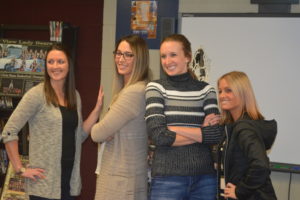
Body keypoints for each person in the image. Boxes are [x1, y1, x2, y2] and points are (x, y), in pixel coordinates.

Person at [1, 44, 103, 200]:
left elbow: (79, 136)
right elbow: (9, 131)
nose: (55, 66)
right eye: (51, 62)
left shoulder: (74, 96)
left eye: (60, 61)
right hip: (44, 185)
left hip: (68, 182)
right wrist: (19, 169)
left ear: (69, 64)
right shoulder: (36, 95)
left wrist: (97, 110)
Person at [145, 33, 223, 200]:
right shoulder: (156, 88)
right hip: (167, 179)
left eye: (173, 55)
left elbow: (216, 134)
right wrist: (201, 131)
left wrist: (174, 129)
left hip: (204, 179)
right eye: (163, 56)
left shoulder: (206, 90)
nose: (167, 61)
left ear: (187, 57)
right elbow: (159, 136)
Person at [91, 34, 151, 200]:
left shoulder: (133, 92)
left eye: (128, 55)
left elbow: (97, 133)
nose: (121, 59)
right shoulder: (134, 89)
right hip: (124, 177)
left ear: (140, 59)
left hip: (120, 180)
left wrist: (104, 130)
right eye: (118, 53)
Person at [217, 71, 277, 200]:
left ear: (243, 93)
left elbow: (261, 166)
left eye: (228, 90)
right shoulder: (235, 126)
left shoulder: (244, 128)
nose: (222, 95)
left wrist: (240, 191)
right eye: (220, 91)